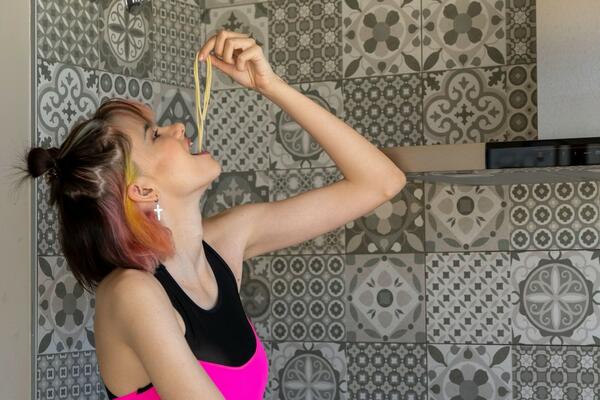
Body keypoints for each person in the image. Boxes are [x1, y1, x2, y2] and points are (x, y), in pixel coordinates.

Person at [15, 30, 407, 399]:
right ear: (143, 190)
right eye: (154, 134)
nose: (177, 127)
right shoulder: (132, 294)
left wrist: (270, 86)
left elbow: (381, 182)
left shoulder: (225, 243)